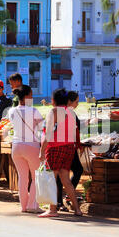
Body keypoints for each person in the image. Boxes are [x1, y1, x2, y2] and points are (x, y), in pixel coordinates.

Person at [39, 88, 83, 218]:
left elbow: (48, 134)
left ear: (53, 100)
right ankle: (77, 209)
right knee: (65, 179)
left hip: (55, 148)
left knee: (52, 179)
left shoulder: (53, 112)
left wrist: (42, 151)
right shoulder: (71, 113)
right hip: (69, 148)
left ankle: (53, 209)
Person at [7, 85, 44, 213]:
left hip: (16, 146)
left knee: (22, 177)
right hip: (31, 145)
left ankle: (24, 206)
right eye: (31, 94)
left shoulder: (11, 111)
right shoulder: (34, 111)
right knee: (36, 177)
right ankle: (33, 205)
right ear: (27, 96)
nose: (32, 97)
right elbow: (42, 128)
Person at [55, 91, 84, 211]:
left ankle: (59, 201)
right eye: (76, 101)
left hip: (61, 147)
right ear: (69, 102)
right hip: (66, 148)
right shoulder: (68, 113)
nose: (77, 104)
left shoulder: (61, 112)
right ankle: (64, 199)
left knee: (61, 175)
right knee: (75, 170)